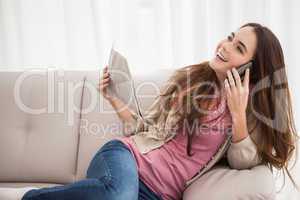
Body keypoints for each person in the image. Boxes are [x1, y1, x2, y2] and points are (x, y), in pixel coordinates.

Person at [12, 23, 297, 200]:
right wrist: (113, 98)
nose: (224, 46)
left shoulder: (249, 116)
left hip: (159, 194)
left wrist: (237, 115)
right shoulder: (190, 82)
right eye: (230, 37)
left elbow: (241, 162)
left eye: (238, 47)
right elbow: (144, 129)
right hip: (125, 160)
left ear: (251, 69)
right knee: (117, 196)